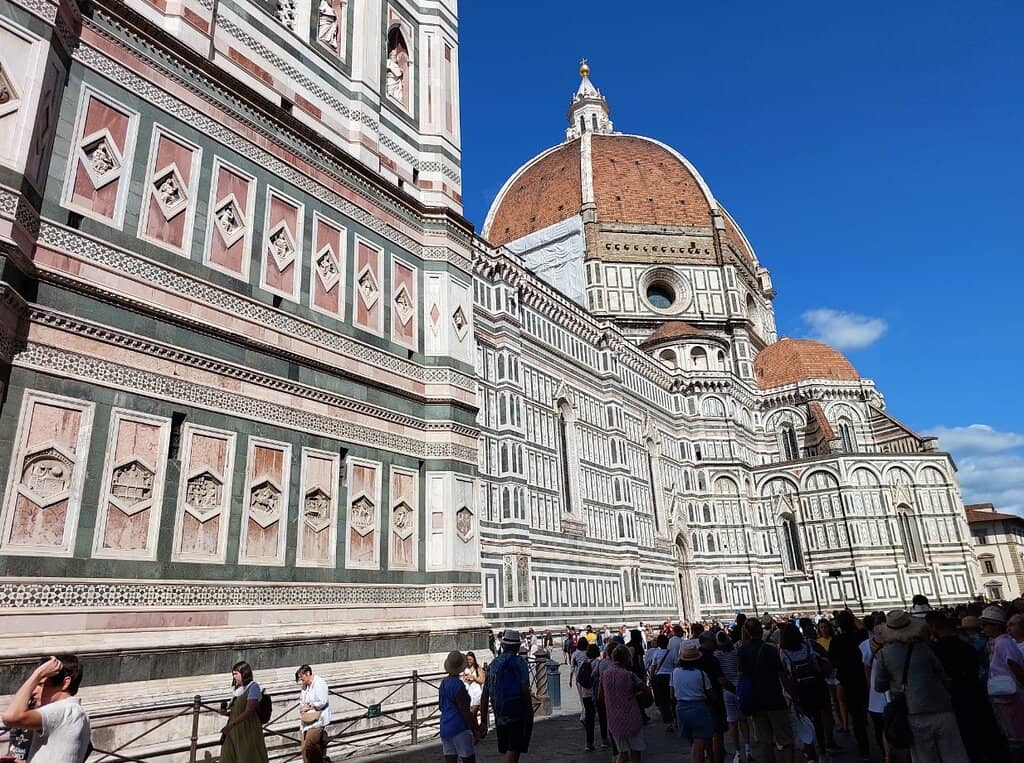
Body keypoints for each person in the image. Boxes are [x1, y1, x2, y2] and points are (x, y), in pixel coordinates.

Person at [874, 610, 968, 763]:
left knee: (925, 758)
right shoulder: (925, 647)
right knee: (955, 756)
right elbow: (942, 675)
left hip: (914, 713)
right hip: (942, 708)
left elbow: (879, 686)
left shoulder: (884, 654)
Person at [1, 654, 91, 762]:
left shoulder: (63, 710)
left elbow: (10, 717)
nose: (34, 691)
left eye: (41, 684)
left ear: (65, 683)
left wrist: (37, 674)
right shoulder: (76, 712)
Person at [737, 619, 794, 763]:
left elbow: (741, 675)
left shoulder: (742, 650)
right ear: (761, 630)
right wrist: (794, 696)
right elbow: (782, 675)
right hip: (774, 698)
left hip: (755, 700)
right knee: (786, 740)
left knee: (765, 742)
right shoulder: (770, 649)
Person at [779, 622, 831, 760]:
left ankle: (811, 755)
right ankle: (823, 751)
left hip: (799, 691)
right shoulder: (809, 645)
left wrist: (793, 698)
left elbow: (784, 676)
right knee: (818, 720)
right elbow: (826, 658)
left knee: (804, 723)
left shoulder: (783, 652)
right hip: (815, 687)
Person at [480, 629, 533, 763]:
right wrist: (530, 711)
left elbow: (485, 694)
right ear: (517, 647)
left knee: (509, 750)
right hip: (517, 713)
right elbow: (524, 690)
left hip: (500, 715)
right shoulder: (520, 663)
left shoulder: (493, 664)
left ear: (503, 646)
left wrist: (484, 722)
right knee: (513, 751)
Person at [980, 605, 1024, 762]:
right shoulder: (997, 642)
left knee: (1017, 738)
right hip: (1006, 697)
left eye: (985, 625)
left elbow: (1016, 667)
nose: (983, 628)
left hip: (1012, 697)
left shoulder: (1004, 643)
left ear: (995, 626)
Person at [829, 610, 870, 759]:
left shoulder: (837, 640)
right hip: (865, 678)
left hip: (847, 680)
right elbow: (863, 629)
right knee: (875, 714)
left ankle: (864, 749)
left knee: (856, 717)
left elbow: (832, 661)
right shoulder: (861, 636)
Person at [598, 645, 646, 762]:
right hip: (631, 717)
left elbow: (600, 697)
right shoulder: (628, 675)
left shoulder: (605, 674)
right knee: (635, 750)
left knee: (622, 753)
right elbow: (646, 690)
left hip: (614, 718)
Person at [219, 660, 269, 763]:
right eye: (233, 674)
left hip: (247, 730)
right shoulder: (238, 689)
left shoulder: (253, 687)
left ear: (244, 673)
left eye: (236, 674)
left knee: (247, 757)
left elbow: (249, 711)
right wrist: (226, 712)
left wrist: (231, 725)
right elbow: (237, 710)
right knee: (227, 757)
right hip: (233, 730)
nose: (234, 676)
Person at [672, 643, 715, 763]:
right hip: (699, 707)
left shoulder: (675, 672)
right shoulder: (701, 674)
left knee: (693, 742)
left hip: (681, 708)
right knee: (700, 742)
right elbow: (711, 694)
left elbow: (672, 693)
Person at [715, 631, 751, 763]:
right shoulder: (736, 651)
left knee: (732, 722)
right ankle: (748, 748)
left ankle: (737, 752)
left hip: (727, 690)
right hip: (740, 688)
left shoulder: (717, 655)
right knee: (743, 720)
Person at [440, 651, 481, 763]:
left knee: (450, 760)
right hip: (459, 728)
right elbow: (465, 711)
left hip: (445, 726)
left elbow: (440, 706)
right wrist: (475, 728)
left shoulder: (443, 683)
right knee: (469, 759)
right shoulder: (458, 685)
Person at [296, 664, 330, 763]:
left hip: (318, 719)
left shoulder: (319, 683)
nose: (302, 681)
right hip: (306, 720)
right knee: (304, 748)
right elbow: (302, 700)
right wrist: (302, 707)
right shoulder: (305, 687)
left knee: (310, 745)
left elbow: (322, 701)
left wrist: (309, 706)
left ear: (308, 674)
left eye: (302, 678)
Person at [644, 634, 674, 729]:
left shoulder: (657, 653)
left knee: (663, 699)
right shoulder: (672, 653)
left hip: (660, 677)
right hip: (671, 676)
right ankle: (674, 717)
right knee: (672, 697)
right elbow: (676, 664)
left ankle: (667, 720)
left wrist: (650, 678)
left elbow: (653, 666)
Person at [577, 644, 601, 751]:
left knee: (589, 719)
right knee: (603, 717)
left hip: (585, 694)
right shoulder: (598, 663)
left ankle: (589, 743)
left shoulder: (583, 663)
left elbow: (578, 678)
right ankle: (605, 739)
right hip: (597, 693)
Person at [462, 652, 485, 720]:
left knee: (473, 713)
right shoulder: (465, 668)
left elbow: (482, 680)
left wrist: (474, 678)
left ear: (474, 659)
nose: (469, 661)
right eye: (467, 659)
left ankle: (476, 729)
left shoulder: (478, 667)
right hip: (469, 692)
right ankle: (475, 729)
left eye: (470, 659)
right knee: (470, 714)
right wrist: (466, 679)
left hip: (476, 692)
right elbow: (464, 678)